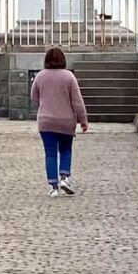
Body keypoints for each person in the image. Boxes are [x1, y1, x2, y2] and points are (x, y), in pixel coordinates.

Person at [30, 46, 88, 197]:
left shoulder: (40, 76)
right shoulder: (69, 77)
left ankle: (53, 187)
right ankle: (64, 178)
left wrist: (45, 102)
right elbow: (77, 101)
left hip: (46, 121)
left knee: (50, 153)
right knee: (65, 150)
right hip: (66, 121)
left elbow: (34, 97)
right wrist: (83, 120)